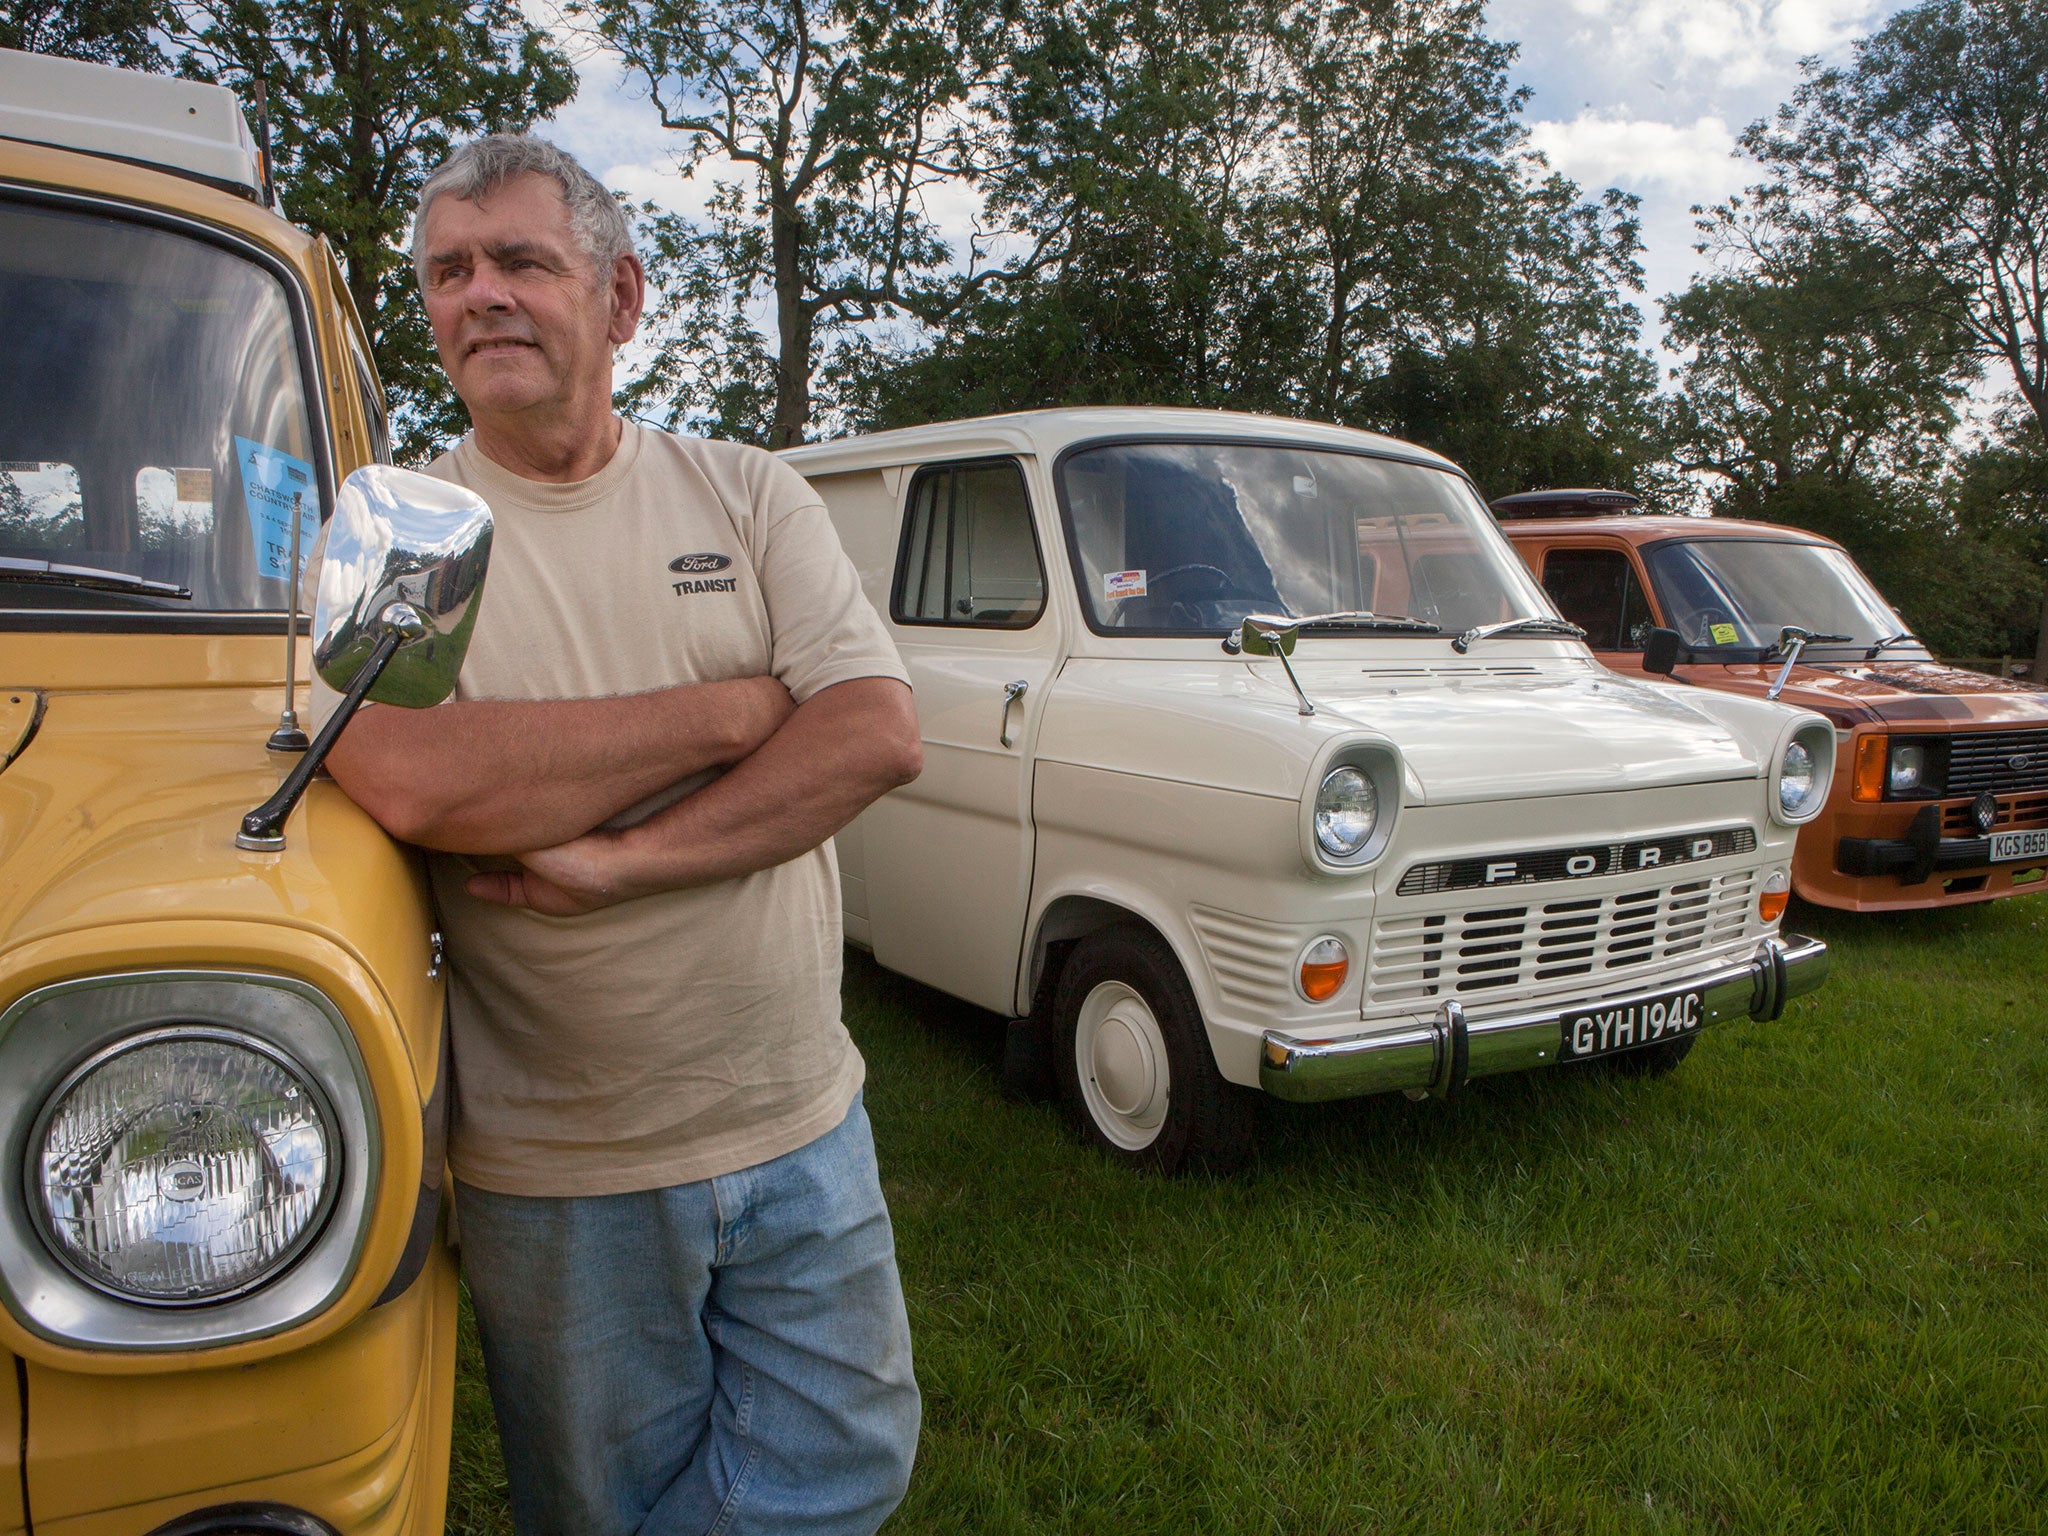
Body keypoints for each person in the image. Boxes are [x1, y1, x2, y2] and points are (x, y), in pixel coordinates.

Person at [314, 133, 924, 1536]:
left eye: (523, 261)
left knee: (851, 1459)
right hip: (563, 1169)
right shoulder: (401, 531)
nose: (481, 297)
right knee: (598, 1504)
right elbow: (409, 777)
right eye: (450, 272)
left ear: (623, 299)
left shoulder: (747, 491)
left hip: (800, 1115)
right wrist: (733, 713)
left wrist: (622, 859)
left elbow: (875, 734)